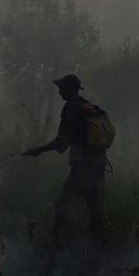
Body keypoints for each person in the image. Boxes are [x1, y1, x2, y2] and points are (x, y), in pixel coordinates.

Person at [21, 74, 108, 251]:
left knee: (62, 206)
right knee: (95, 212)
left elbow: (62, 142)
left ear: (70, 89)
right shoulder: (88, 106)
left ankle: (55, 248)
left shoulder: (71, 108)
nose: (59, 91)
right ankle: (98, 253)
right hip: (99, 165)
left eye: (61, 88)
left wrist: (37, 151)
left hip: (83, 167)